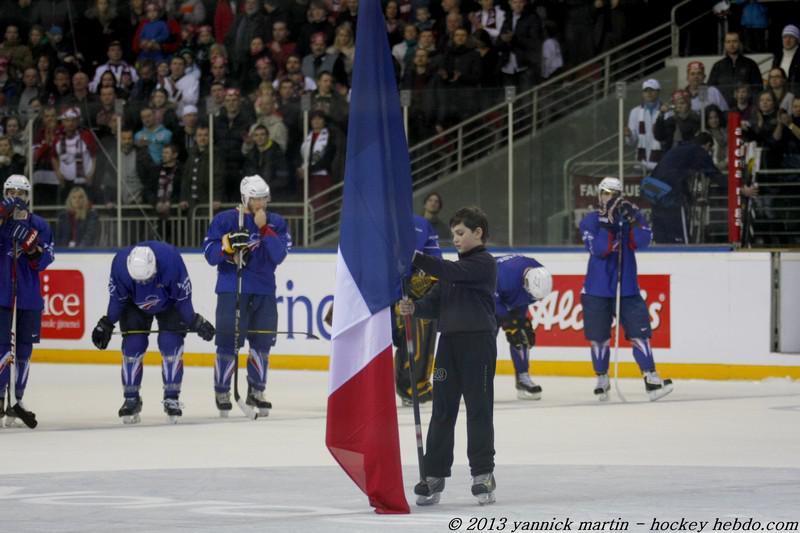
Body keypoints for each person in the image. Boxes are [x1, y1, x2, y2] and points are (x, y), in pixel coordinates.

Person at [398, 206, 498, 506]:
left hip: (477, 347)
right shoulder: (452, 271)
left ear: (477, 233)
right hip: (449, 348)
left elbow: (448, 270)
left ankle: (483, 474)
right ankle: (434, 474)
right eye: (452, 234)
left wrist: (414, 256)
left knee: (478, 408)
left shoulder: (483, 264)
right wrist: (414, 308)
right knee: (442, 409)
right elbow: (434, 303)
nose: (454, 239)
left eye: (460, 233)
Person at [91, 242, 215, 424]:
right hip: (134, 305)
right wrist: (107, 322)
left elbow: (183, 299)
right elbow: (117, 300)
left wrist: (194, 320)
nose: (143, 284)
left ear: (155, 267)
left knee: (170, 344)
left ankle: (172, 397)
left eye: (147, 279)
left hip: (170, 303)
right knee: (133, 346)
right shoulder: (120, 266)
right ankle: (131, 398)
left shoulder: (172, 262)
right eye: (139, 281)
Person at [202, 175, 291, 417]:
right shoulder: (225, 220)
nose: (261, 203)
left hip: (264, 290)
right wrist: (227, 248)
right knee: (228, 342)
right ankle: (222, 390)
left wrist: (264, 228)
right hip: (233, 288)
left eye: (264, 198)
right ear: (245, 198)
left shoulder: (277, 222)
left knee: (262, 343)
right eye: (255, 199)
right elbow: (209, 253)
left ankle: (257, 390)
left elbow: (279, 255)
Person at [578, 177, 672, 402]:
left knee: (640, 333)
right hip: (596, 289)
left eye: (612, 193)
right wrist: (606, 225)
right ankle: (602, 379)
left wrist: (636, 218)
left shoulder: (628, 220)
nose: (606, 197)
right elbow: (599, 249)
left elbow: (643, 241)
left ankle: (651, 378)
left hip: (627, 288)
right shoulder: (590, 221)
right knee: (599, 337)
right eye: (604, 192)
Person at [0, 174, 54, 426]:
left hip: (29, 298)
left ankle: (18, 398)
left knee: (23, 350)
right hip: (2, 296)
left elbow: (43, 262)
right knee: (1, 349)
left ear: (28, 196)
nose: (16, 197)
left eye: (20, 193)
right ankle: (0, 398)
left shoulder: (40, 225)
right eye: (11, 192)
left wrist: (31, 246)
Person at [648, 132, 757, 244]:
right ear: (707, 145)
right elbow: (716, 176)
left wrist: (691, 199)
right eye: (710, 150)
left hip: (651, 188)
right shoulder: (698, 151)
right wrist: (740, 189)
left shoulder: (680, 149)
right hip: (668, 191)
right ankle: (683, 252)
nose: (708, 153)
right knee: (680, 234)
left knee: (662, 234)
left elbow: (676, 176)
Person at [394, 214, 442, 407]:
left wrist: (426, 277)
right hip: (377, 291)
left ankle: (414, 385)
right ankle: (358, 390)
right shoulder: (370, 220)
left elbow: (435, 261)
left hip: (409, 294)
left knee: (423, 322)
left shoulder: (422, 225)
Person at [494, 254, 552, 400]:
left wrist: (517, 324)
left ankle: (523, 378)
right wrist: (507, 320)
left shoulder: (539, 272)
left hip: (513, 297)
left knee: (521, 335)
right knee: (483, 343)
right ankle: (474, 382)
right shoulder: (502, 276)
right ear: (525, 284)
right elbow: (490, 300)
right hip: (487, 299)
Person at [625, 79, 664, 172]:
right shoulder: (635, 112)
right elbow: (631, 142)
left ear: (658, 92)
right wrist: (629, 135)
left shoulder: (666, 111)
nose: (649, 93)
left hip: (661, 163)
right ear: (642, 93)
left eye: (652, 90)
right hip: (641, 164)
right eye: (646, 90)